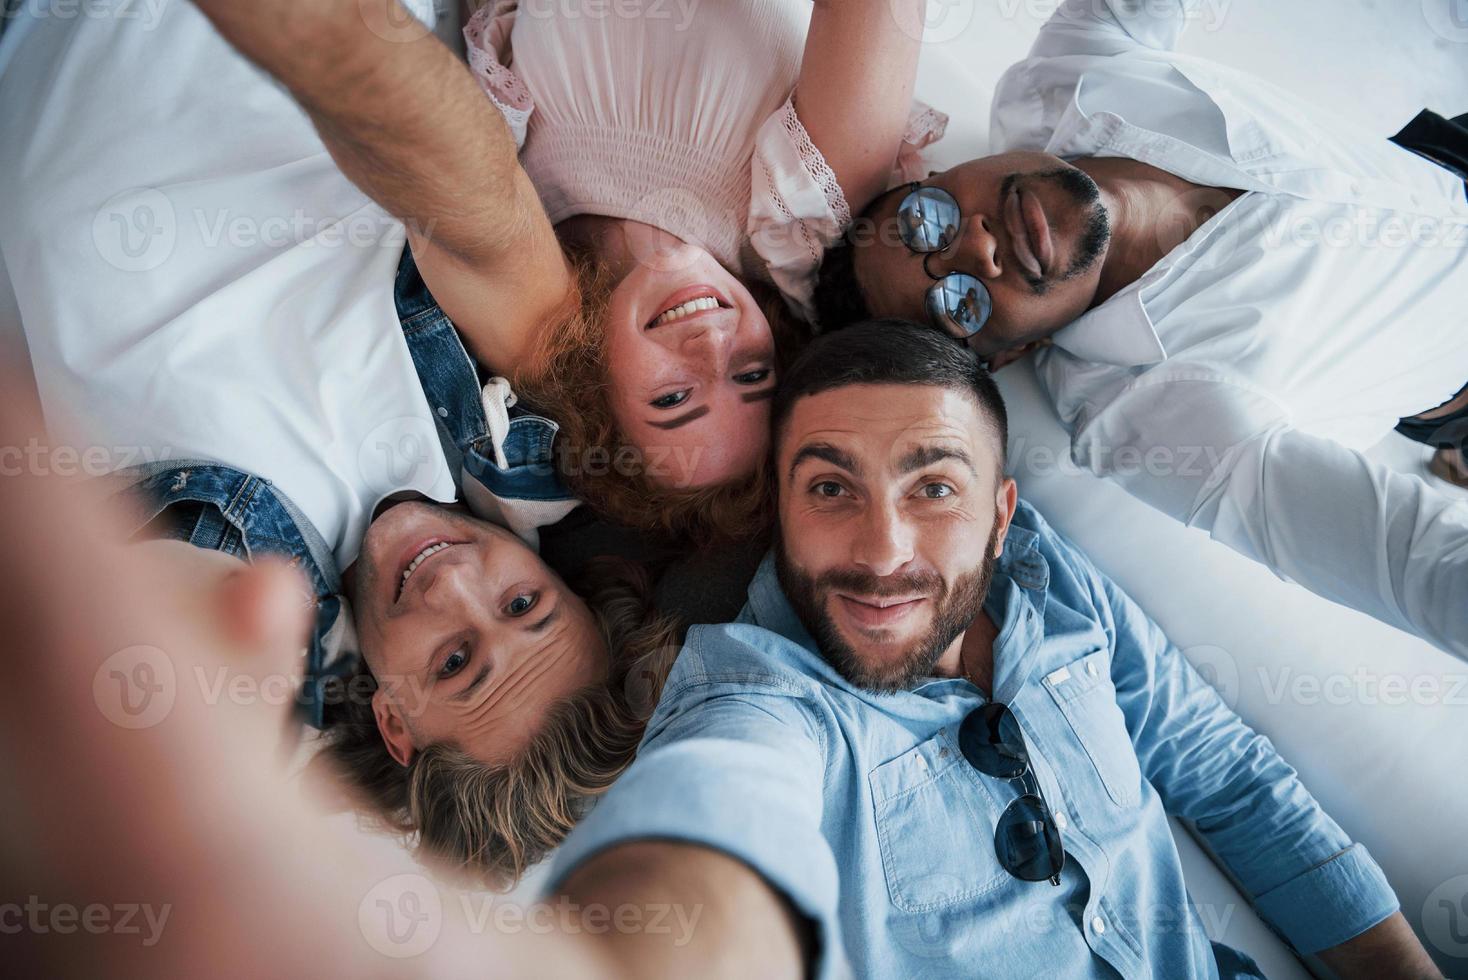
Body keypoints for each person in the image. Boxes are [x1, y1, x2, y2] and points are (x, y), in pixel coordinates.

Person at [0, 326, 1440, 978]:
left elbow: (1232, 782)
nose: (882, 544)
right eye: (829, 487)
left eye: (931, 487)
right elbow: (714, 864)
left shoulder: (1048, 588)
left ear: (997, 512)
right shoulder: (763, 697)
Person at [0, 0, 674, 886]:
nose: (457, 581)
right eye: (524, 606)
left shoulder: (242, 621)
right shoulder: (529, 433)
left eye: (456, 661)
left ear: (395, 725)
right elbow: (482, 209)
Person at [813, 0, 1468, 660]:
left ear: (935, 174)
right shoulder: (1153, 413)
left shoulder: (1061, 83)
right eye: (959, 304)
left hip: (1438, 163)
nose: (978, 249)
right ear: (1010, 354)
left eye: (930, 221)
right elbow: (1413, 564)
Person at [460, 0, 942, 534]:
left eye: (673, 398)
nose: (713, 345)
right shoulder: (809, 214)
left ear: (591, 395)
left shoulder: (511, 198)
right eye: (753, 373)